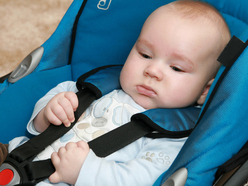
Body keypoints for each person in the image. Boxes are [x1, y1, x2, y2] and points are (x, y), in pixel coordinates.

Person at [3, 0, 231, 185]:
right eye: (145, 55)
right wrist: (48, 113)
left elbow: (141, 178)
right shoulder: (97, 88)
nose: (152, 70)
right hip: (13, 157)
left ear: (205, 90)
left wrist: (85, 172)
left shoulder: (171, 138)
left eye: (176, 68)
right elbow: (57, 99)